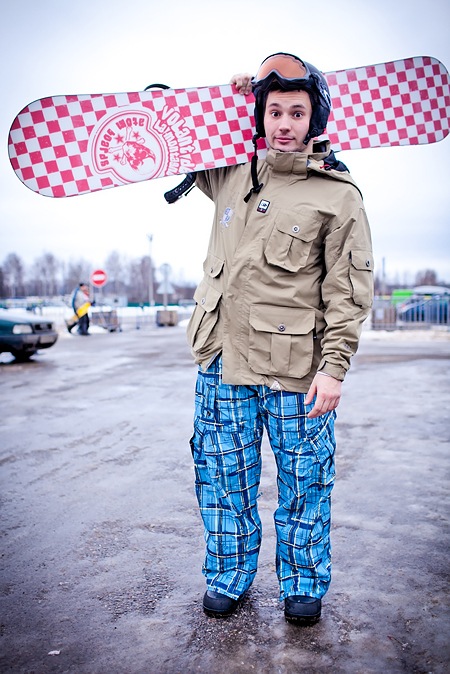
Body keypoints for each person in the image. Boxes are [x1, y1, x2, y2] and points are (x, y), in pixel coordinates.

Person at [187, 53, 374, 625]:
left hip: (298, 372)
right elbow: (171, 133)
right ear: (259, 116)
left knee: (304, 484)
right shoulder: (229, 173)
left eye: (296, 112)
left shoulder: (338, 195)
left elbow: (348, 291)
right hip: (223, 362)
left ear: (315, 118)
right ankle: (228, 575)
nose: (284, 124)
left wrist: (334, 367)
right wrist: (223, 100)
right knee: (223, 480)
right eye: (273, 111)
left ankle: (303, 583)